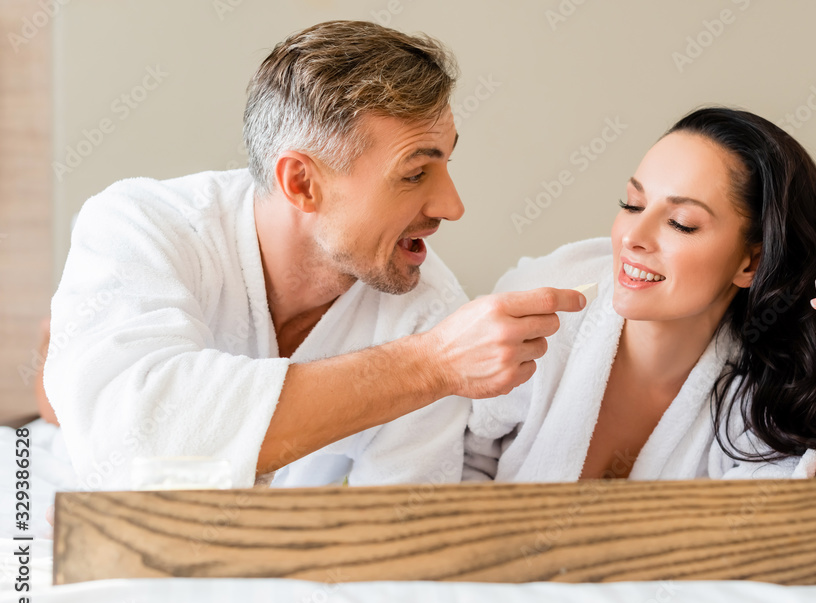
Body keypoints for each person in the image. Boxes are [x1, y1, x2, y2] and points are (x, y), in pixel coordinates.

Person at [44, 20, 583, 490]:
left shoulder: (429, 311)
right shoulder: (143, 225)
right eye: (416, 173)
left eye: (445, 163)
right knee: (61, 385)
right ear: (301, 182)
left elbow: (396, 532)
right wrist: (429, 363)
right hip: (72, 428)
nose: (453, 206)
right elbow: (135, 442)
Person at [465, 107, 816, 516]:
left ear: (750, 261)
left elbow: (814, 541)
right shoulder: (539, 316)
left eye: (681, 223)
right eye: (632, 203)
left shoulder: (759, 392)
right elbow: (452, 461)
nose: (633, 236)